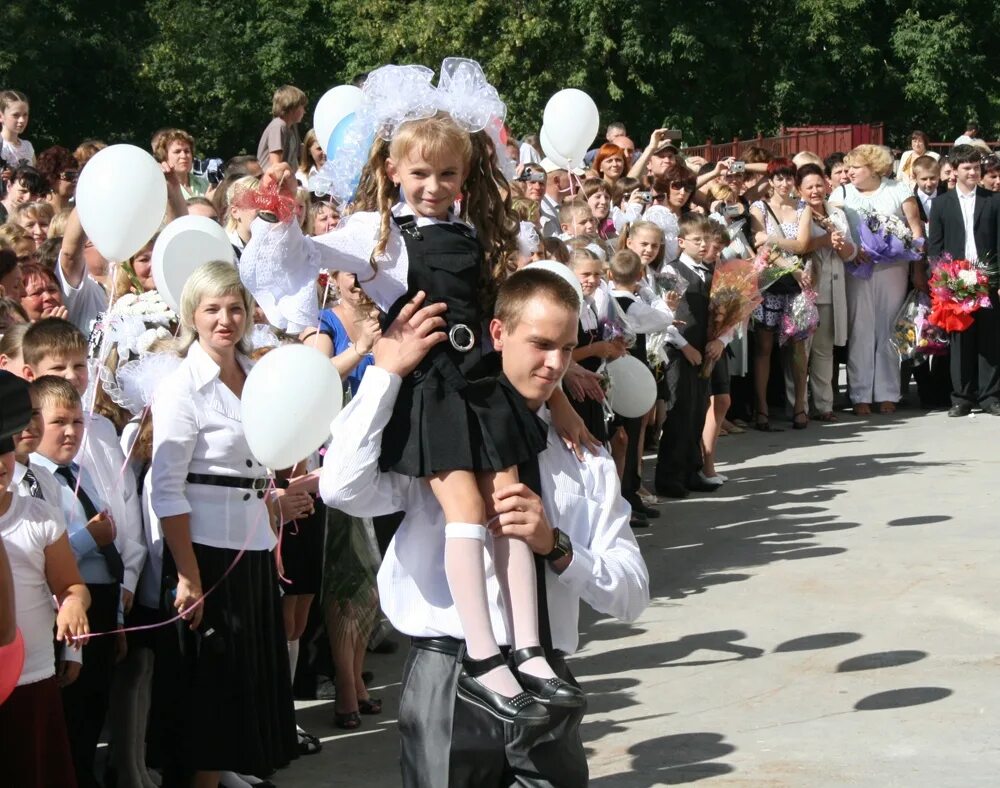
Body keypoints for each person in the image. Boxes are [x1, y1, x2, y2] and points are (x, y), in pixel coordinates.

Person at [241, 61, 588, 725]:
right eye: (420, 174)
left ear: (466, 175)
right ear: (395, 170)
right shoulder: (378, 236)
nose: (433, 187)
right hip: (427, 386)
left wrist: (561, 393)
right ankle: (485, 656)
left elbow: (523, 315)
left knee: (510, 505)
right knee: (464, 509)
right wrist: (276, 211)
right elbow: (289, 265)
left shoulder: (481, 232)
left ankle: (529, 647)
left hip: (482, 385)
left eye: (447, 174)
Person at [319, 277, 649, 787]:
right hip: (449, 673)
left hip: (545, 675)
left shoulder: (583, 457)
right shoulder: (441, 435)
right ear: (497, 333)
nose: (555, 364)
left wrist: (556, 545)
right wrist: (384, 376)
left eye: (566, 349)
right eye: (540, 345)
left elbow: (632, 593)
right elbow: (341, 488)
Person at [150, 261, 297, 786]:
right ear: (192, 313)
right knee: (208, 694)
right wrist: (188, 575)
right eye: (212, 308)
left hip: (254, 546)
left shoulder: (257, 375)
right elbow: (165, 489)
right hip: (205, 554)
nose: (225, 319)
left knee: (241, 686)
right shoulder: (181, 387)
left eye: (235, 307)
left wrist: (281, 498)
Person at [28, 375, 121, 788]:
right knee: (71, 712)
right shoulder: (34, 482)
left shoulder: (81, 473)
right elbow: (51, 555)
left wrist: (116, 614)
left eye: (78, 422)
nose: (71, 432)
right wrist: (91, 537)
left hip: (100, 601)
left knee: (95, 706)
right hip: (65, 607)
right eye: (59, 422)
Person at [0, 371, 90, 788]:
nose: (2, 461)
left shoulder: (38, 516)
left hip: (30, 675)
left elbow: (70, 584)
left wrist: (73, 603)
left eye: (6, 447)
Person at [836, 144, 926, 414]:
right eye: (848, 167)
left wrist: (917, 266)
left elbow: (915, 227)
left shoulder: (898, 190)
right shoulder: (841, 192)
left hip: (893, 268)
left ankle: (888, 392)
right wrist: (851, 250)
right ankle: (860, 394)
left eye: (855, 167)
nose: (849, 172)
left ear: (873, 168)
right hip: (857, 269)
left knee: (888, 328)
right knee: (860, 329)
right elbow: (834, 226)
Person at [927, 145, 1000, 416]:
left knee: (989, 339)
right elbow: (935, 245)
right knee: (961, 340)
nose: (973, 172)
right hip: (955, 279)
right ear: (955, 171)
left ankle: (990, 396)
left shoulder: (993, 200)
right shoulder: (942, 203)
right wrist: (941, 279)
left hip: (987, 276)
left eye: (976, 168)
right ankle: (961, 397)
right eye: (967, 168)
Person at [655, 214, 722, 498]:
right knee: (679, 412)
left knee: (697, 411)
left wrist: (718, 339)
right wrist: (686, 346)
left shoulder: (709, 271)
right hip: (680, 351)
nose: (704, 244)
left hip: (703, 350)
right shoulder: (672, 272)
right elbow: (665, 318)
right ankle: (669, 477)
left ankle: (691, 470)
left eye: (707, 239)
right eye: (697, 240)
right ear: (681, 242)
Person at [749, 158, 813, 430]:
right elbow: (759, 246)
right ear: (771, 181)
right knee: (764, 347)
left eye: (789, 178)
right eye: (779, 178)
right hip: (769, 284)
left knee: (797, 347)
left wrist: (771, 239)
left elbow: (802, 244)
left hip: (797, 285)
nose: (784, 183)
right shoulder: (758, 207)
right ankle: (762, 409)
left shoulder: (803, 207)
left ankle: (799, 406)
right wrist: (786, 261)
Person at [797, 163, 854, 421]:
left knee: (823, 350)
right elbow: (798, 247)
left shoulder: (837, 214)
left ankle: (824, 405)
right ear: (800, 190)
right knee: (799, 352)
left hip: (831, 289)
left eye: (819, 185)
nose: (815, 190)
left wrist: (840, 244)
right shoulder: (796, 213)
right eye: (809, 186)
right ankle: (797, 405)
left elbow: (851, 252)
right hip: (804, 290)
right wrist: (822, 240)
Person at [257, 84, 307, 173]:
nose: (304, 111)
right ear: (292, 106)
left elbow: (302, 151)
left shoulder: (292, 128)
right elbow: (275, 166)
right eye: (302, 106)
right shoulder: (278, 126)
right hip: (272, 183)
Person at [153, 129, 209, 199]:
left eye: (187, 151)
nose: (184, 156)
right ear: (164, 157)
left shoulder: (205, 184)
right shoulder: (161, 188)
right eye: (177, 152)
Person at [34, 146, 78, 213]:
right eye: (69, 175)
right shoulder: (37, 213)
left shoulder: (78, 213)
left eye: (77, 175)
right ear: (51, 177)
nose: (75, 180)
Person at [0, 90, 35, 171]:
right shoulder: (2, 146)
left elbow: (35, 179)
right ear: (1, 116)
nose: (22, 120)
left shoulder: (28, 147)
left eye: (25, 115)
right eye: (16, 115)